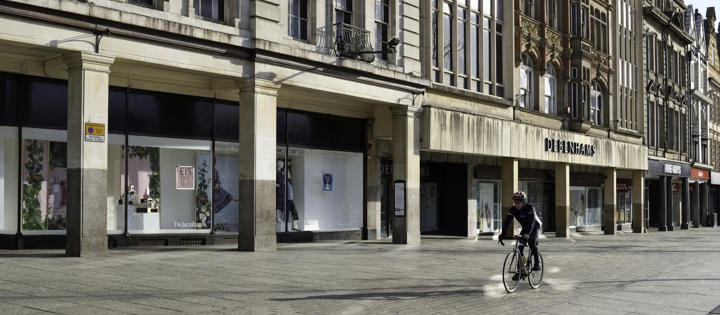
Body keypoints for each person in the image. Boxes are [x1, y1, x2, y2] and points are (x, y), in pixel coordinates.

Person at [498, 191, 542, 279]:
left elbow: (531, 222)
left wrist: (527, 235)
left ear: (524, 201)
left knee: (532, 243)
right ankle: (520, 270)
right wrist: (503, 234)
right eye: (515, 202)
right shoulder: (513, 210)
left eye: (519, 202)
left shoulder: (530, 208)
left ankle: (537, 263)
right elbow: (507, 222)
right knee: (519, 248)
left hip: (535, 226)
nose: (517, 204)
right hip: (526, 228)